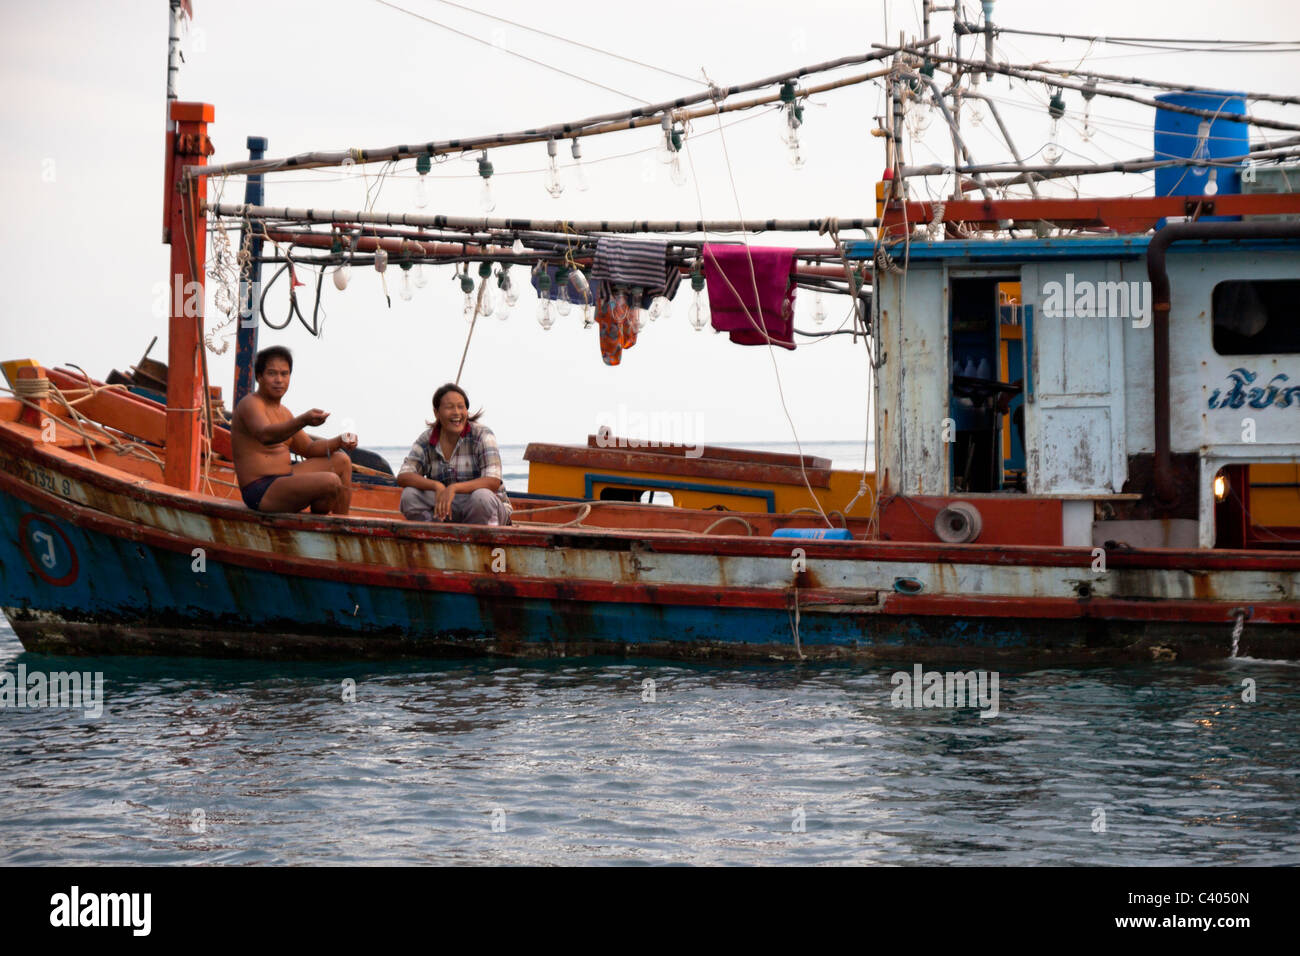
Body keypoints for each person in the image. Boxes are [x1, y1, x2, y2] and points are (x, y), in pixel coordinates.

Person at [231, 345, 356, 515]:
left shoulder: (284, 412)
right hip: (261, 490)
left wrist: (340, 440)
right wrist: (303, 420)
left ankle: (342, 526)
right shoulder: (250, 404)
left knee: (342, 460)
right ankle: (322, 511)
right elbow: (265, 434)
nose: (279, 380)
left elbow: (309, 449)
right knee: (331, 481)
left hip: (287, 479)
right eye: (272, 373)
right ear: (259, 377)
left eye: (284, 374)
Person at [397, 383, 511, 525]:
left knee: (481, 497)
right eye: (450, 407)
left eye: (461, 407)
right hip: (446, 508)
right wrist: (437, 486)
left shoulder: (482, 435)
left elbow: (492, 481)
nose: (456, 412)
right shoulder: (427, 439)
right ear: (436, 412)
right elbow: (404, 476)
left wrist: (453, 488)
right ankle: (434, 534)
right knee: (409, 495)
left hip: (483, 507)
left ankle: (480, 538)